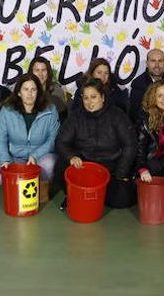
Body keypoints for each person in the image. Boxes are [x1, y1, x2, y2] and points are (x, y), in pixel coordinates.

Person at [56, 79, 137, 209]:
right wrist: (71, 156)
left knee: (122, 200)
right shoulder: (76, 116)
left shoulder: (117, 115)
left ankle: (93, 196)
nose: (89, 102)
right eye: (85, 98)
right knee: (60, 165)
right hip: (83, 165)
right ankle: (74, 195)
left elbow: (130, 145)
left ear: (102, 97)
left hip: (109, 167)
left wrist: (120, 174)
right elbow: (61, 142)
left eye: (93, 97)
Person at [0, 74, 61, 199]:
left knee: (50, 164)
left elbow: (53, 139)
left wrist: (35, 155)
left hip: (40, 158)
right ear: (19, 92)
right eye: (25, 89)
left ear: (38, 92)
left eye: (33, 89)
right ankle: (24, 192)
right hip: (16, 157)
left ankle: (39, 190)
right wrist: (5, 161)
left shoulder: (50, 110)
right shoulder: (7, 110)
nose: (29, 94)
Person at [128, 48, 164, 123]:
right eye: (153, 61)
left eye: (160, 61)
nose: (157, 65)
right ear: (147, 63)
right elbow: (135, 114)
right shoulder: (138, 84)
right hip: (147, 127)